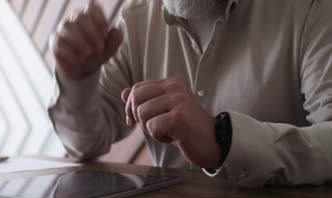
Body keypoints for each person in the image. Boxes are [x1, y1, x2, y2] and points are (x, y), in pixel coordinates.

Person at [47, 0, 332, 187]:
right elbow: (85, 144)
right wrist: (77, 80)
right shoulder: (134, 22)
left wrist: (224, 138)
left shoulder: (312, 8)